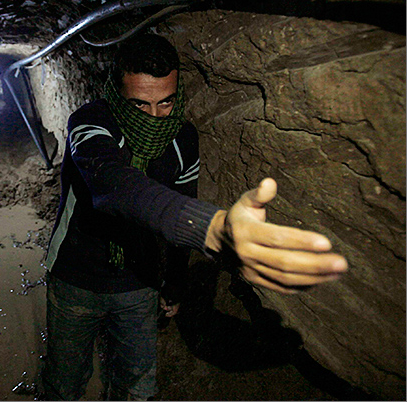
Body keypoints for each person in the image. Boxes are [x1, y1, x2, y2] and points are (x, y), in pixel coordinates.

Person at [41, 33, 348, 401]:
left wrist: (174, 283)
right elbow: (114, 185)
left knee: (137, 389)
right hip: (77, 278)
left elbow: (183, 202)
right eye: (140, 105)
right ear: (116, 93)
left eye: (166, 101)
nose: (155, 116)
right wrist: (209, 227)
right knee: (64, 384)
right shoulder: (90, 122)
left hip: (139, 283)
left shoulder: (183, 139)